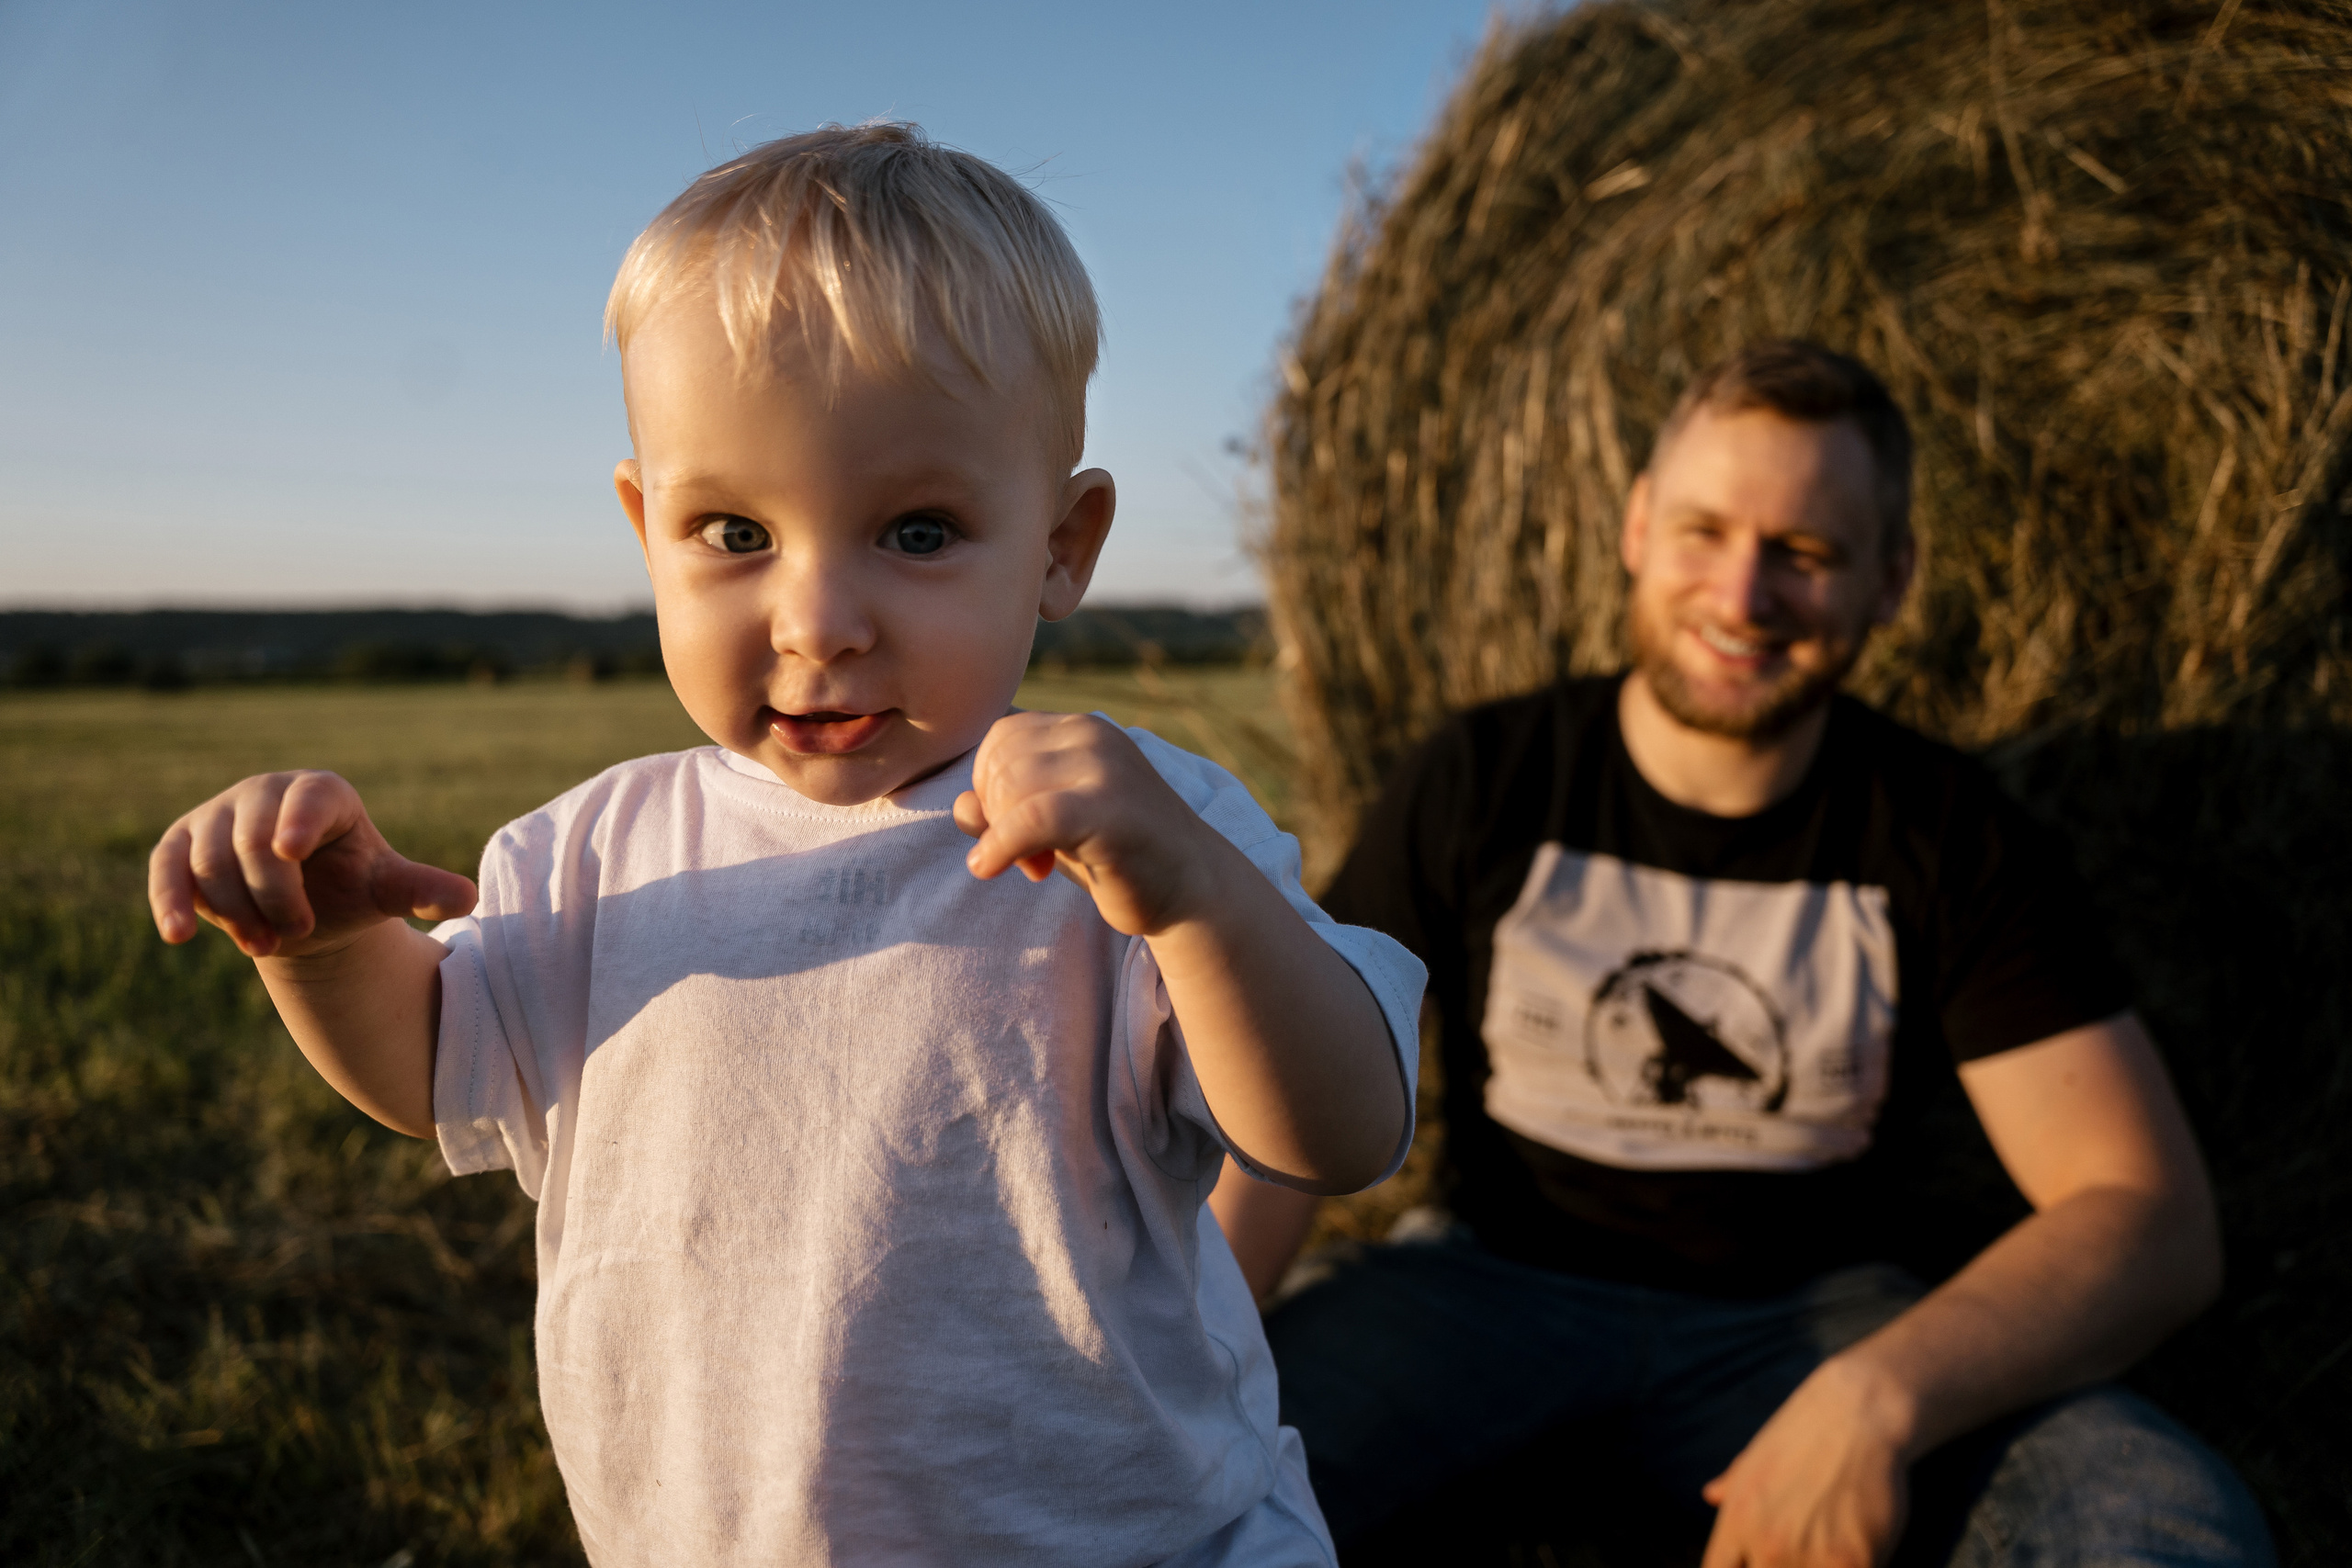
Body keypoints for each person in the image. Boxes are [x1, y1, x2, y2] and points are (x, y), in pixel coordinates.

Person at [145, 123, 1425, 1567]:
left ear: (1063, 545)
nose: (819, 621)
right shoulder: (595, 850)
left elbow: (1336, 1133)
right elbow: (433, 1068)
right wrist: (321, 947)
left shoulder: (1139, 832)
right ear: (646, 529)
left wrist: (1193, 899)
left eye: (922, 532)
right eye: (736, 531)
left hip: (1134, 1539)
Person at [1211, 342, 2274, 1566]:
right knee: (1172, 1492)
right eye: (1705, 533)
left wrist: (1877, 1398)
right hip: (1485, 1292)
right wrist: (1177, 1348)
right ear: (1638, 530)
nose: (1743, 595)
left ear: (1892, 579)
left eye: (1805, 554)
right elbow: (1288, 1099)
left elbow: (2149, 1215)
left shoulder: (1945, 831)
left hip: (1814, 1319)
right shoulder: (1485, 777)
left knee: (2155, 1521)